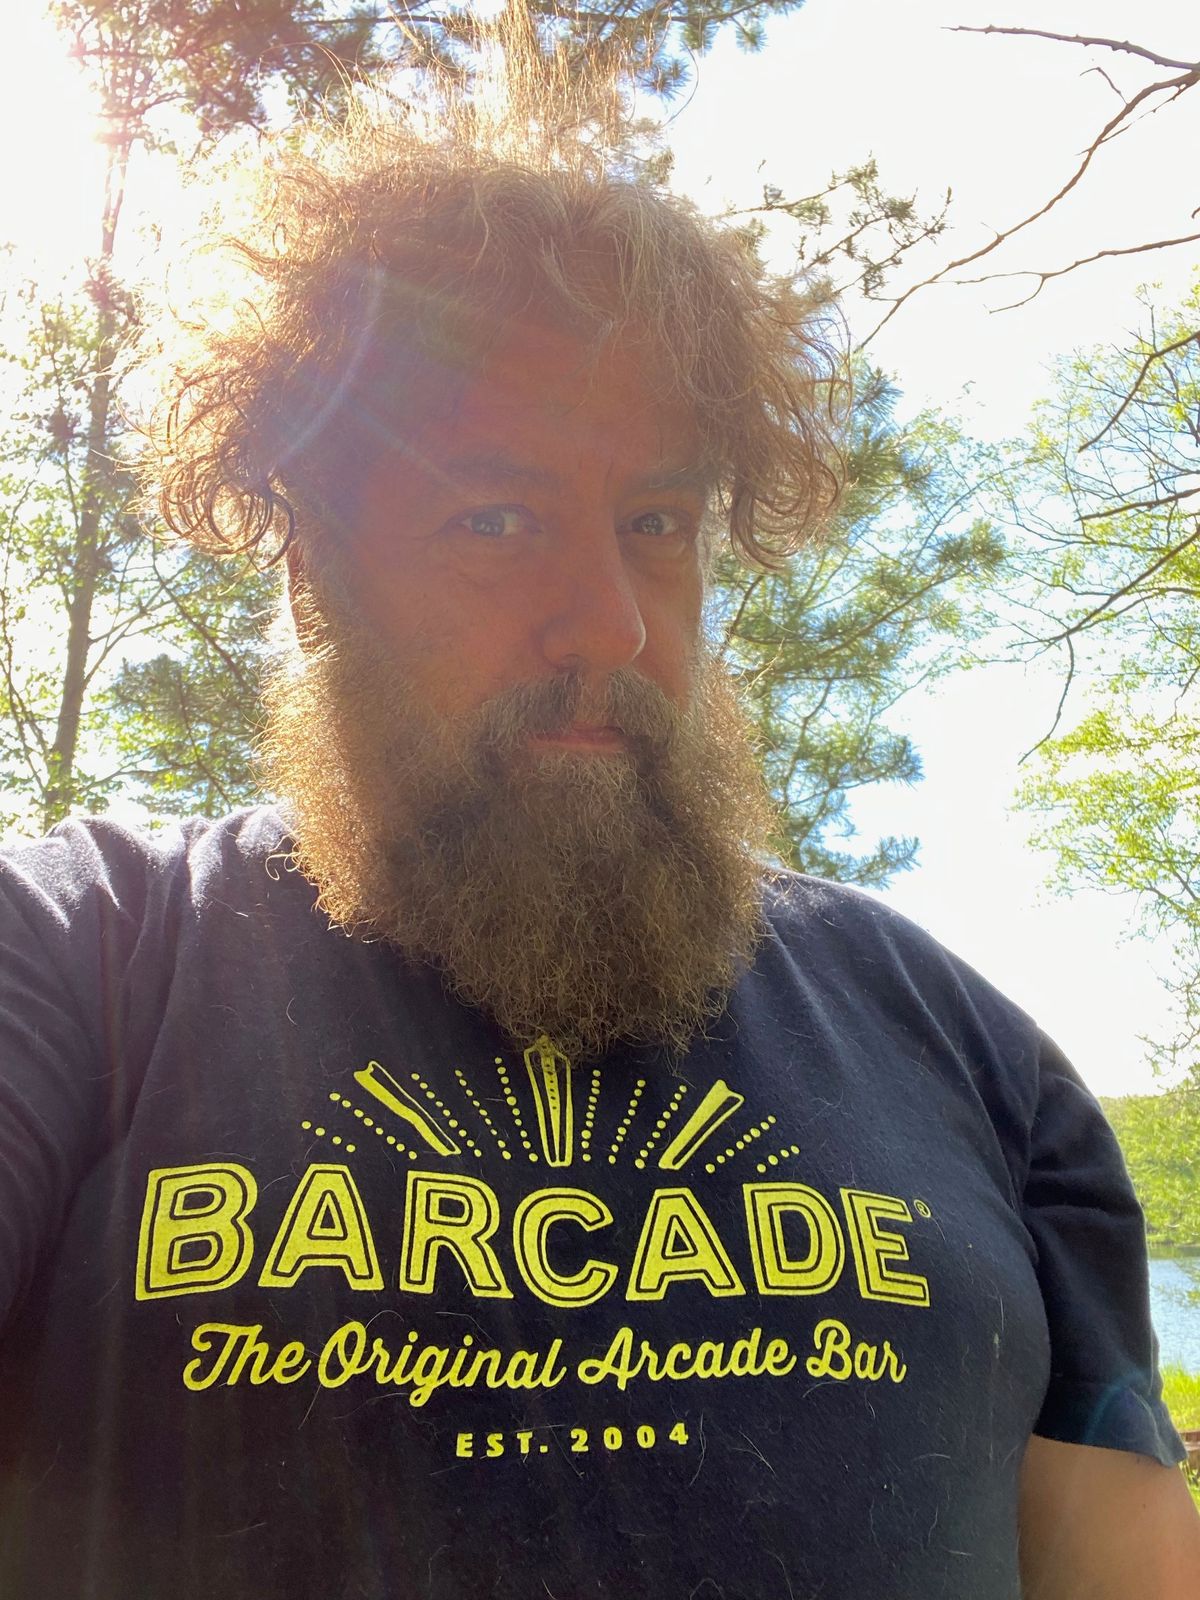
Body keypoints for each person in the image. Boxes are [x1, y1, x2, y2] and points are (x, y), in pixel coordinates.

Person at [2, 63, 1198, 1600]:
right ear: (312, 576)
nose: (612, 625)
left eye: (656, 524)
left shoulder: (971, 1049)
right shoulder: (84, 961)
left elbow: (1124, 1561)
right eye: (494, 520)